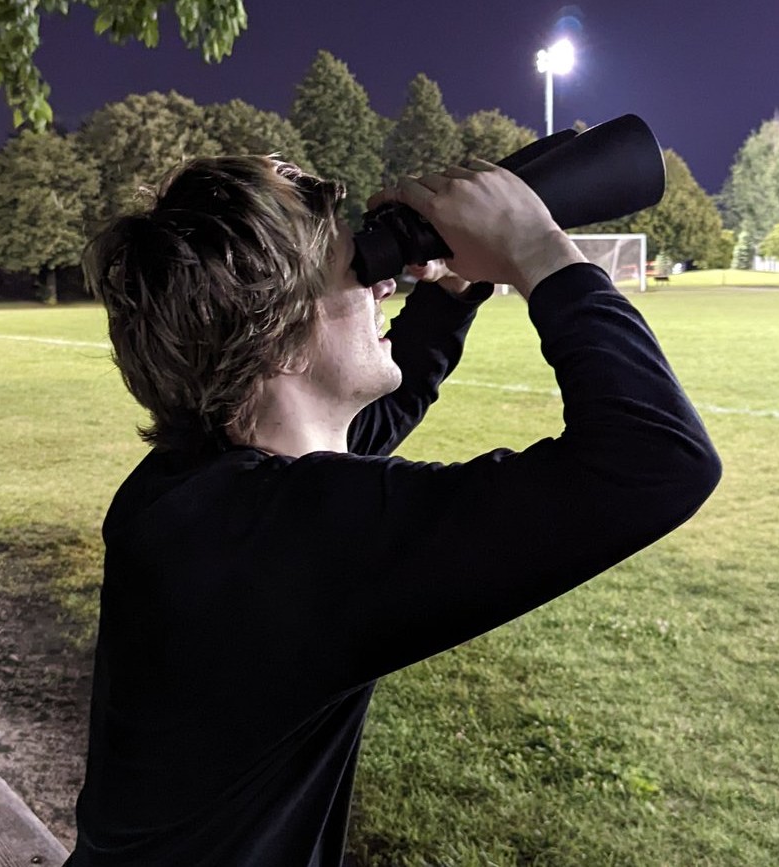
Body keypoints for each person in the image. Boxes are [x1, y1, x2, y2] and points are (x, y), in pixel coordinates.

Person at [65, 155, 722, 866]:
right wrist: (537, 251)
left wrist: (453, 289)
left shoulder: (189, 489)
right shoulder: (292, 541)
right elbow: (658, 459)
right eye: (358, 270)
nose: (384, 282)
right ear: (275, 332)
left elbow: (356, 433)